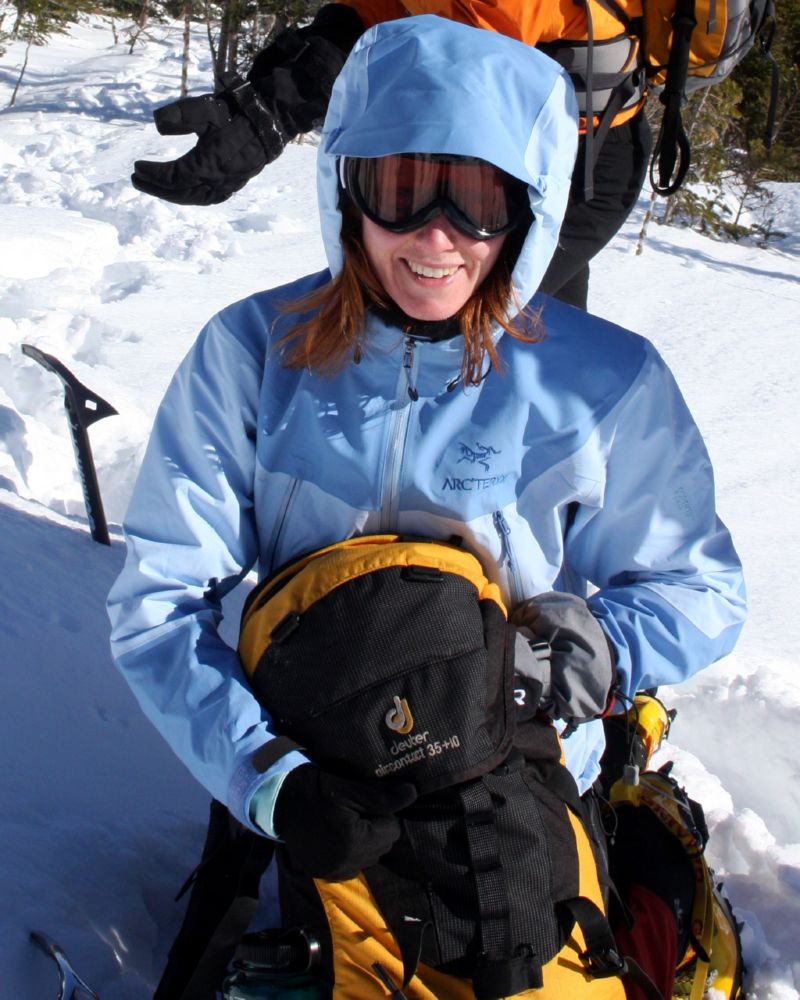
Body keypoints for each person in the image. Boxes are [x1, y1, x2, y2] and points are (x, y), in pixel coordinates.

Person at [108, 15, 746, 998]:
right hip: (319, 778)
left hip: (511, 777)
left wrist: (576, 653)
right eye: (402, 189)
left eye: (478, 199)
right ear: (347, 190)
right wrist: (267, 779)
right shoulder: (252, 355)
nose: (436, 236)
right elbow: (158, 600)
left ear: (528, 208)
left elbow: (697, 586)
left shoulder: (599, 384)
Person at [130, 0, 651, 309]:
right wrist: (265, 105)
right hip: (506, 155)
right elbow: (382, 13)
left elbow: (457, 59)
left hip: (577, 165)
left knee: (478, 329)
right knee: (532, 323)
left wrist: (277, 111)